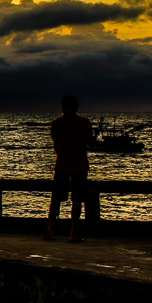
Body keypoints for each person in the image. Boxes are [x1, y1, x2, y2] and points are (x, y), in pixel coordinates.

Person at [46, 95, 94, 242]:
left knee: (56, 199)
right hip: (80, 165)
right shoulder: (84, 122)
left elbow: (56, 144)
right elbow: (90, 142)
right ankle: (73, 233)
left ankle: (50, 230)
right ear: (76, 107)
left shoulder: (56, 123)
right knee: (77, 200)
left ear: (62, 107)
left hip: (61, 164)